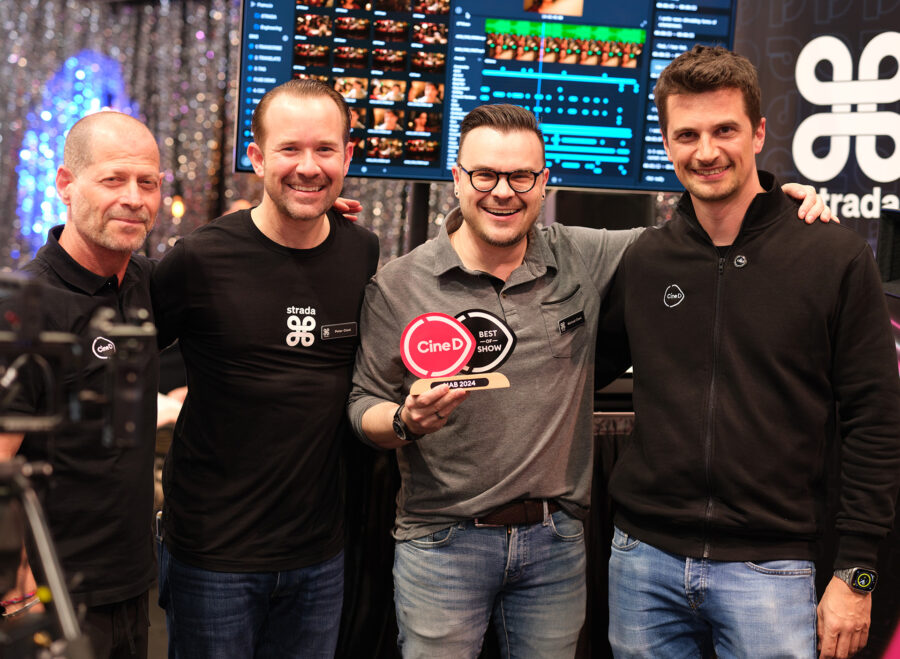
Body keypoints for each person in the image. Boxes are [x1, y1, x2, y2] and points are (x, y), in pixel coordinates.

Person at [347, 103, 827, 658]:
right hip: (442, 543)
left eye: (522, 176)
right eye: (485, 174)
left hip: (556, 541)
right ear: (457, 178)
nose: (503, 191)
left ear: (543, 181)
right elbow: (363, 406)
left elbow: (693, 234)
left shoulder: (579, 255)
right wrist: (405, 421)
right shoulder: (398, 285)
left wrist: (774, 201)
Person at [599, 45, 900, 659]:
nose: (706, 151)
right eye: (687, 134)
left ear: (759, 133)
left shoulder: (833, 257)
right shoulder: (646, 260)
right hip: (642, 562)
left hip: (775, 570)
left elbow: (876, 421)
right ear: (666, 142)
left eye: (724, 130)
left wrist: (857, 574)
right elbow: (574, 363)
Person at [151, 79, 379, 658]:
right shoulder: (199, 259)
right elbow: (124, 357)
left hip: (320, 557)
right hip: (212, 556)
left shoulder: (363, 253)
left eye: (325, 150)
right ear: (256, 158)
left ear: (348, 156)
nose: (309, 167)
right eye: (289, 150)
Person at [0, 111, 162, 658]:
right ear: (66, 185)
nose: (134, 198)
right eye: (113, 179)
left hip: (133, 583)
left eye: (148, 183)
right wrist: (19, 595)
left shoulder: (143, 282)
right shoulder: (26, 307)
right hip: (51, 599)